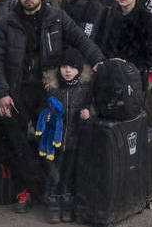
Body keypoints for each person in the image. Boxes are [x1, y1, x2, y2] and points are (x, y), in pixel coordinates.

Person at [0, 0, 104, 213]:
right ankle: (26, 190)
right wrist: (1, 92)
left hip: (48, 91)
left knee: (49, 141)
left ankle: (50, 189)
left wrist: (100, 62)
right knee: (17, 143)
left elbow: (82, 41)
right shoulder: (6, 23)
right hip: (16, 91)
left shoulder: (57, 18)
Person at [41, 47, 93, 223]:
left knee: (69, 175)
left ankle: (67, 205)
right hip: (54, 142)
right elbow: (42, 108)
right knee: (54, 174)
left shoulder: (84, 89)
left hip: (73, 140)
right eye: (64, 66)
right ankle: (54, 206)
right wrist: (45, 115)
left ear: (79, 69)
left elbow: (94, 105)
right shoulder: (52, 87)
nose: (68, 70)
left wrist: (89, 111)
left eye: (72, 67)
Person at [94, 0, 152, 89]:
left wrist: (126, 64)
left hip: (132, 82)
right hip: (105, 78)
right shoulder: (106, 14)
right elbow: (95, 43)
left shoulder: (145, 19)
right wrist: (104, 62)